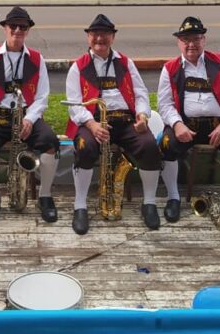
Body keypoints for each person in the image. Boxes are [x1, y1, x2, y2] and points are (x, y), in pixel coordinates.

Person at [156, 16, 220, 231]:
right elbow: (164, 104)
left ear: (204, 40)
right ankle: (173, 197)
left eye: (196, 39)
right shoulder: (170, 68)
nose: (191, 44)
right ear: (179, 42)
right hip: (186, 125)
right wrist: (177, 124)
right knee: (166, 144)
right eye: (186, 40)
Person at [65, 14, 162, 235]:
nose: (100, 38)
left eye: (105, 34)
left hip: (125, 121)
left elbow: (141, 93)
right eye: (95, 34)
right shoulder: (78, 67)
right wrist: (92, 125)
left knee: (149, 146)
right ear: (88, 37)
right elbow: (74, 104)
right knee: (84, 147)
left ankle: (149, 203)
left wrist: (142, 116)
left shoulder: (126, 63)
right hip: (93, 121)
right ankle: (80, 206)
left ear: (113, 37)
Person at [0, 7, 60, 225]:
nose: (17, 30)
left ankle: (45, 196)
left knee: (50, 143)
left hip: (27, 115)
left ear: (28, 30)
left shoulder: (36, 58)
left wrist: (30, 119)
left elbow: (43, 96)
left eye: (23, 27)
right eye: (13, 26)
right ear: (5, 28)